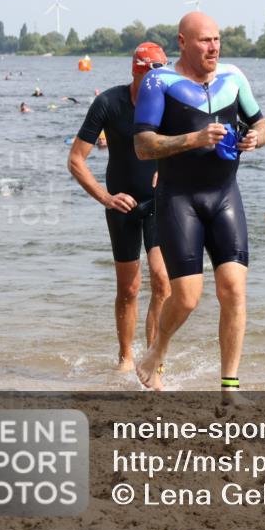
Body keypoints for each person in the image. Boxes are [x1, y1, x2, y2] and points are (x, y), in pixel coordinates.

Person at [133, 12, 265, 399]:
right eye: (204, 41)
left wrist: (255, 139)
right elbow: (143, 146)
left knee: (234, 290)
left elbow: (262, 124)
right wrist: (192, 139)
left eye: (217, 39)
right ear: (182, 42)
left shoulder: (234, 78)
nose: (213, 47)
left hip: (225, 195)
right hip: (179, 199)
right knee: (188, 297)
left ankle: (229, 386)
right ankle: (157, 351)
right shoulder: (159, 82)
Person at [67, 42, 171, 372]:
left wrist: (169, 174)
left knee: (162, 281)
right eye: (151, 75)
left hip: (159, 202)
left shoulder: (171, 105)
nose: (158, 83)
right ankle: (126, 358)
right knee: (128, 289)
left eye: (162, 75)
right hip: (121, 206)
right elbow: (76, 160)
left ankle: (154, 357)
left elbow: (187, 146)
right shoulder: (108, 103)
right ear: (136, 72)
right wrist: (105, 197)